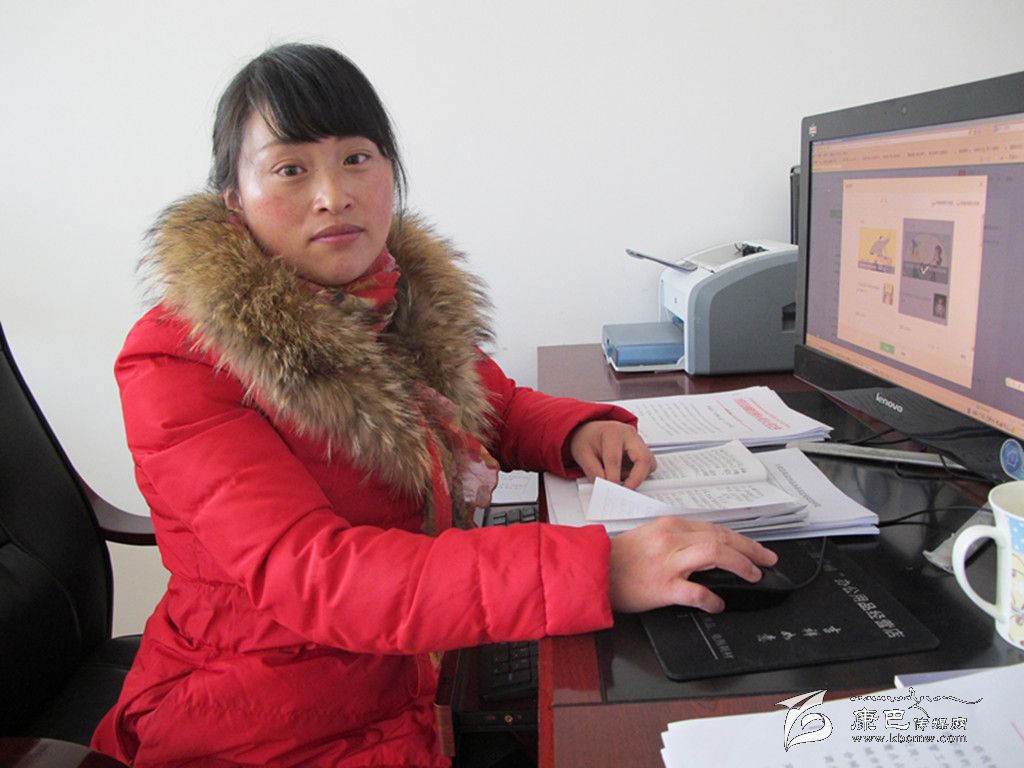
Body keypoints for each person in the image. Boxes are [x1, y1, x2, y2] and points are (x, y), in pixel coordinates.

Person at [91, 43, 777, 767]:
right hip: (274, 722)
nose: (334, 194)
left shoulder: (387, 297)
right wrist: (596, 571)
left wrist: (576, 431)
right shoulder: (181, 359)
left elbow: (494, 406)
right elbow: (318, 576)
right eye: (291, 169)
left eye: (357, 158)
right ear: (233, 197)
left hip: (421, 671)